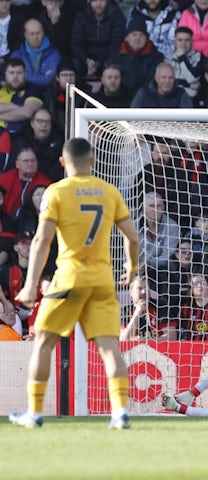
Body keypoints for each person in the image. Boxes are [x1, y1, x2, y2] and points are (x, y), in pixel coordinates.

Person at [8, 137, 140, 429]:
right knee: (109, 348)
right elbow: (132, 237)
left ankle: (34, 412)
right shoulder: (109, 191)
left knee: (43, 343)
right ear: (92, 162)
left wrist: (30, 284)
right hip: (103, 281)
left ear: (63, 162)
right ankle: (119, 412)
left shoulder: (56, 192)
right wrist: (132, 268)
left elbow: (42, 239)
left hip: (69, 278)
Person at [107, 16, 164, 94]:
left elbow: (150, 84)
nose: (137, 38)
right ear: (127, 37)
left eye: (141, 35)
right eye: (134, 35)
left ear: (147, 38)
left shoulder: (156, 58)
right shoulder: (116, 56)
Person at [70, 0, 126, 78]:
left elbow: (116, 44)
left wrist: (98, 63)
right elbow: (76, 43)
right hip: (86, 59)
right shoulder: (81, 15)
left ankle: (115, 90)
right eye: (95, 1)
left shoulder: (117, 16)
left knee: (116, 65)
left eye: (102, 0)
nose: (98, 4)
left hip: (107, 58)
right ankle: (71, 90)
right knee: (71, 67)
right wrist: (86, 60)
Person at [10, 18, 61, 94]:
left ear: (43, 33)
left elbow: (49, 81)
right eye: (32, 34)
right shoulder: (17, 55)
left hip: (46, 97)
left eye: (38, 33)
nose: (35, 37)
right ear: (25, 35)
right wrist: (42, 77)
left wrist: (23, 76)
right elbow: (11, 80)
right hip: (20, 95)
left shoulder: (54, 54)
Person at [0, 146, 51, 218]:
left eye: (33, 160)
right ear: (17, 164)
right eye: (25, 161)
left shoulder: (46, 184)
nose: (30, 164)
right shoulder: (3, 180)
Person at [0, 58, 44, 135]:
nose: (15, 77)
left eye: (19, 73)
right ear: (5, 75)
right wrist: (16, 106)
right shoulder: (1, 89)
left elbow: (26, 112)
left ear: (25, 74)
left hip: (21, 135)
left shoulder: (33, 90)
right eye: (11, 73)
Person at [164, 26, 202, 99]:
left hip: (191, 99)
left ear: (192, 42)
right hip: (170, 98)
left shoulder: (199, 57)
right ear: (174, 42)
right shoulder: (167, 58)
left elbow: (193, 78)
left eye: (187, 40)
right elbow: (165, 82)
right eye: (180, 40)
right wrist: (188, 85)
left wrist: (182, 58)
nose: (183, 44)